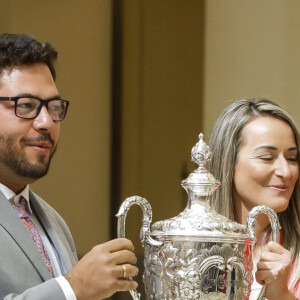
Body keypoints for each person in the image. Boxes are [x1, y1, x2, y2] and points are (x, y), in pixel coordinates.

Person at [0, 33, 138, 299]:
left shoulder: (52, 221)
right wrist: (74, 287)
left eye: (53, 107)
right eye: (26, 105)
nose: (46, 122)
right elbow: (72, 291)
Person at [208, 98, 300, 299]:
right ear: (228, 163)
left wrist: (281, 294)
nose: (286, 171)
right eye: (267, 157)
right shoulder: (189, 247)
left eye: (292, 158)